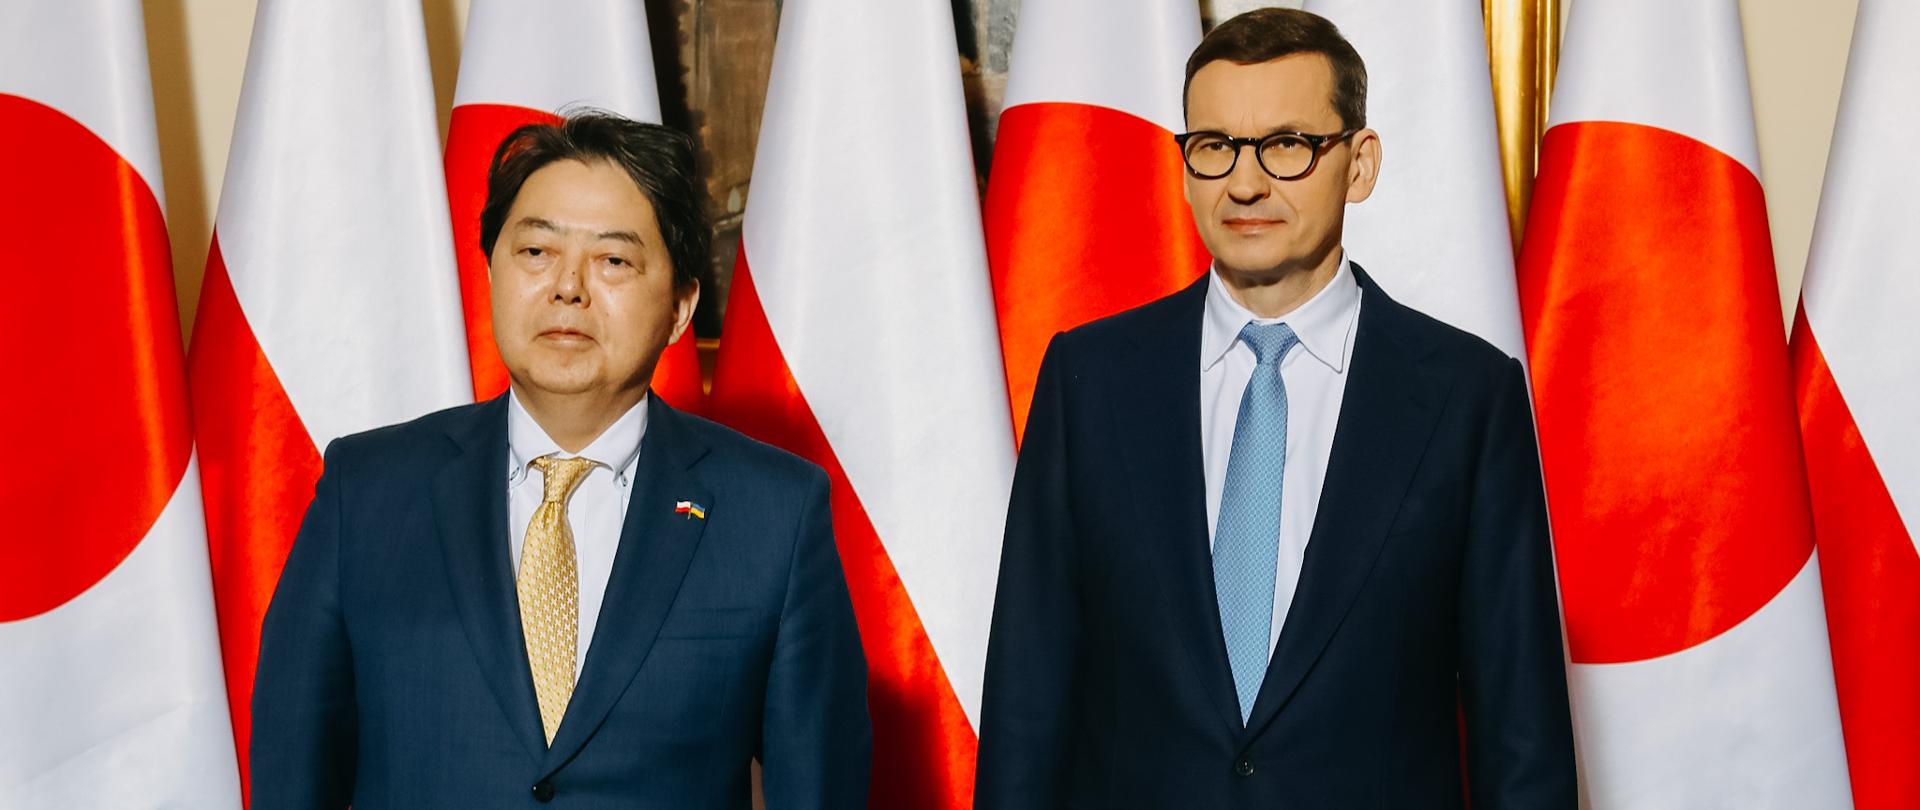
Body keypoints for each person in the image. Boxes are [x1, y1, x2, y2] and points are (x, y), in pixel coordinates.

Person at [974, 9, 1576, 808]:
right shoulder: (1088, 382)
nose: (1245, 183)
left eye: (1287, 145)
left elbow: (1521, 737)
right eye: (1214, 145)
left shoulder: (1468, 397)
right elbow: (1027, 702)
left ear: (1359, 164)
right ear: (1185, 165)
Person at [250, 112, 870, 809]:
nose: (568, 287)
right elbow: (291, 776)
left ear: (679, 306)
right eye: (536, 251)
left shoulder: (775, 512)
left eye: (613, 260)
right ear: (492, 272)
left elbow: (818, 787)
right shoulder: (366, 491)